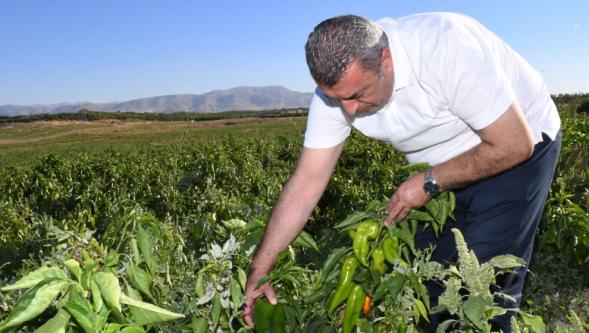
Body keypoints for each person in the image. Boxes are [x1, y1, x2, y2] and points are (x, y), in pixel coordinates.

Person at [244, 12, 561, 332]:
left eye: (357, 95)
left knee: (480, 289)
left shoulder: (445, 48)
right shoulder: (338, 95)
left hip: (516, 147)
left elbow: (514, 145)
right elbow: (307, 182)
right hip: (438, 164)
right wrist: (260, 267)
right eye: (336, 98)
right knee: (429, 276)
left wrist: (429, 182)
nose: (347, 110)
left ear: (386, 60)